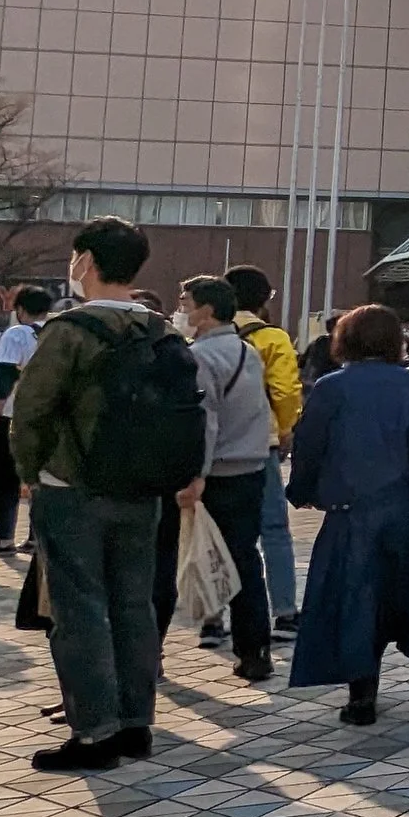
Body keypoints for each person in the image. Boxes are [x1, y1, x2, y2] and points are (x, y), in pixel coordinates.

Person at [10, 217, 202, 773]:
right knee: (133, 604)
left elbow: (32, 411)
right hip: (143, 491)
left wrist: (30, 471)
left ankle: (93, 731)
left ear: (86, 262)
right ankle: (135, 723)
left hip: (73, 489)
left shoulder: (70, 331)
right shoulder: (162, 330)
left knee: (80, 608)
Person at [287, 303, 409, 727]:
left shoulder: (332, 386)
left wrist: (301, 492)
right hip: (404, 504)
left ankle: (361, 691)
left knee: (354, 595)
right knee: (391, 595)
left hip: (350, 508)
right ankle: (372, 676)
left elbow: (308, 447)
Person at [176, 276, 278, 681]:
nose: (180, 308)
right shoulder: (247, 350)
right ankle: (254, 651)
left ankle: (194, 632)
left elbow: (206, 422)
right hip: (250, 469)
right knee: (245, 561)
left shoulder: (198, 356)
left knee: (195, 556)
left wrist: (195, 476)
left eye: (185, 302)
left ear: (206, 310)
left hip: (215, 474)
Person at [224, 268, 305, 638]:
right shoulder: (272, 337)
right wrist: (285, 428)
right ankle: (285, 612)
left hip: (214, 446)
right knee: (274, 529)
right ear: (264, 298)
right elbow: (286, 390)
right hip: (261, 443)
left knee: (219, 531)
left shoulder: (203, 334)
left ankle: (213, 617)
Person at [0, 284, 50, 555]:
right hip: (47, 416)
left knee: (2, 477)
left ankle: (4, 539)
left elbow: (6, 374)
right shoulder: (55, 332)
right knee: (38, 480)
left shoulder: (17, 334)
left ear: (20, 309)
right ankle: (35, 538)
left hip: (13, 415)